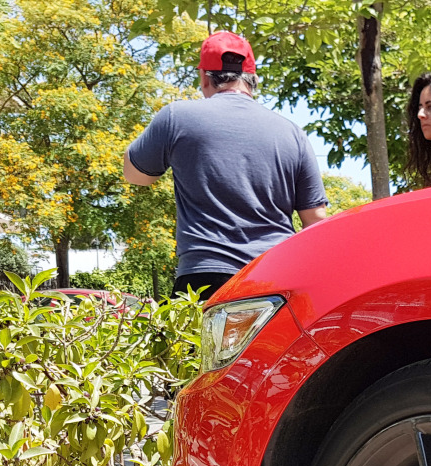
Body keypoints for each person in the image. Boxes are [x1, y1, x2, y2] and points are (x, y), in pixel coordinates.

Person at [122, 32, 328, 300]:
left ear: (204, 78)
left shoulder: (176, 117)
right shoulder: (292, 133)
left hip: (203, 280)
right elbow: (316, 221)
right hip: (275, 279)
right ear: (254, 80)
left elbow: (136, 175)